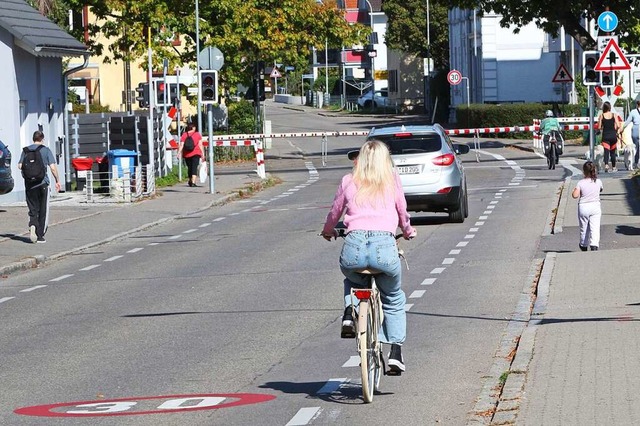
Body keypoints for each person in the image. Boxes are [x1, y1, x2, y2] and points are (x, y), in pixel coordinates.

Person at [321, 140, 417, 375]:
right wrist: (408, 231)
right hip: (384, 248)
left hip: (353, 246)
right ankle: (395, 352)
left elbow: (335, 212)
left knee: (353, 281)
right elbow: (402, 211)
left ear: (360, 159)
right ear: (386, 160)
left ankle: (349, 314)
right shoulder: (391, 179)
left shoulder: (348, 180)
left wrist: (328, 231)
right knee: (393, 298)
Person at [18, 131, 61, 244]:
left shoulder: (26, 150)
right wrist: (57, 180)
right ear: (42, 139)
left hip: (29, 185)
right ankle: (40, 235)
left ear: (33, 139)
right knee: (43, 210)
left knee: (33, 209)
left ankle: (32, 224)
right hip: (42, 184)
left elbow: (19, 166)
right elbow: (52, 168)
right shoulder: (46, 150)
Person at [572, 161, 603, 252]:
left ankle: (583, 244)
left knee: (584, 227)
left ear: (584, 172)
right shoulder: (598, 181)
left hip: (584, 207)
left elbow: (575, 195)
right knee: (595, 226)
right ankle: (594, 244)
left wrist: (574, 190)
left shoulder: (580, 183)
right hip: (595, 206)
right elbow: (600, 189)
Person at [178, 122, 205, 187]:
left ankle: (190, 180)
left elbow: (181, 145)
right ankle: (193, 182)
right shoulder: (197, 134)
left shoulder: (184, 135)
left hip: (186, 154)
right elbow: (200, 145)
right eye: (194, 127)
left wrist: (179, 153)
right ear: (193, 127)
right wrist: (203, 154)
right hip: (196, 153)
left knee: (189, 167)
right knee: (194, 167)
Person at [597, 101, 621, 172]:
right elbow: (618, 125)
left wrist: (601, 127)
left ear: (604, 107)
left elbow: (599, 127)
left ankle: (607, 165)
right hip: (613, 136)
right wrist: (616, 130)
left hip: (605, 136)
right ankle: (613, 167)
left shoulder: (602, 115)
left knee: (606, 152)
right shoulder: (614, 115)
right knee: (613, 153)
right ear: (610, 107)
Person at [620, 100, 640, 167]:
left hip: (635, 131)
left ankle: (635, 163)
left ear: (637, 105)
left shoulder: (633, 112)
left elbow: (627, 122)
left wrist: (621, 129)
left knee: (635, 148)